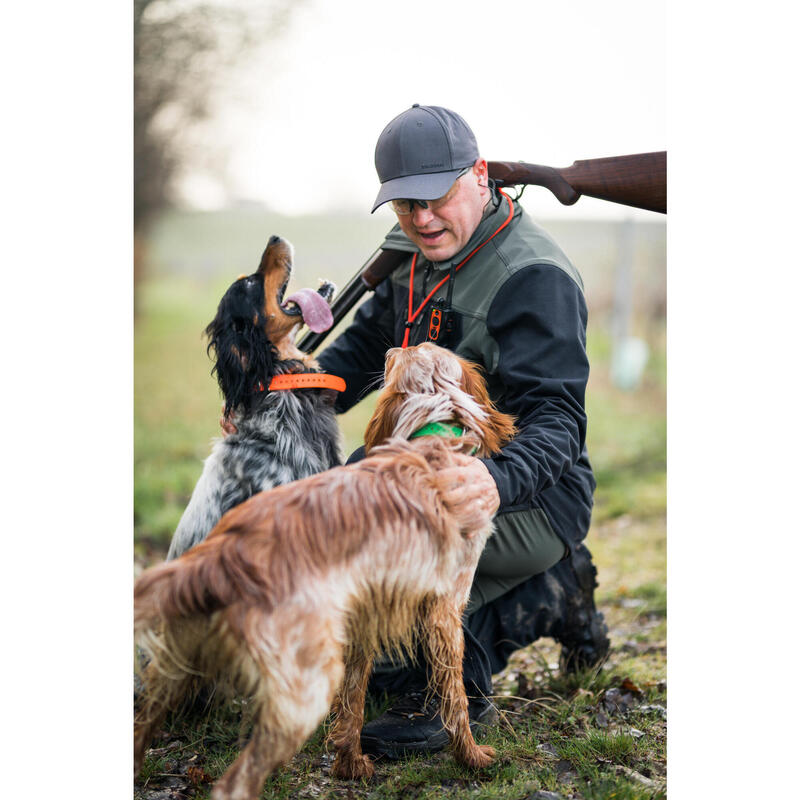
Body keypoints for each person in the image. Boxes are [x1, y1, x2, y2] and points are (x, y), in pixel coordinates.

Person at [315, 104, 610, 760]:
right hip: (426, 471)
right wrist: (289, 393)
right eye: (405, 205)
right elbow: (364, 349)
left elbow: (558, 421)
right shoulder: (412, 250)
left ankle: (546, 596)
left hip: (531, 491)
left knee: (402, 587)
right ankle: (412, 654)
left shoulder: (535, 277)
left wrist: (492, 481)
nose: (422, 220)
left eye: (438, 197)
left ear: (481, 175)